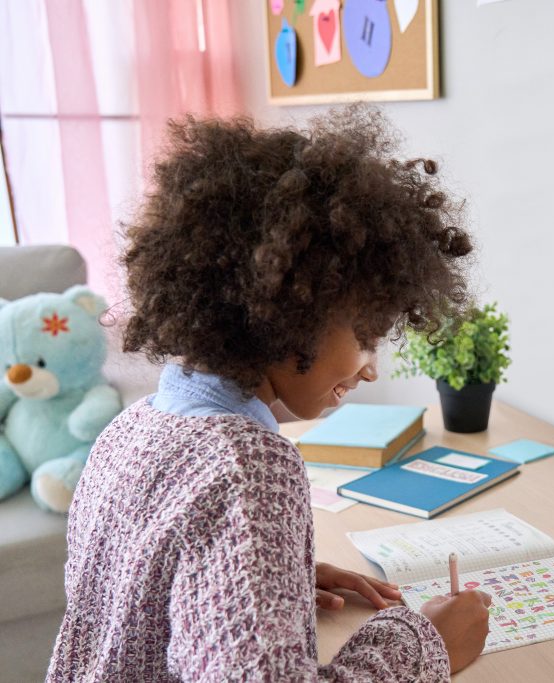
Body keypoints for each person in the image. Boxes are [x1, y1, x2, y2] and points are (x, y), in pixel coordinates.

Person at [47, 109, 491, 682]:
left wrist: (266, 582)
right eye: (366, 332)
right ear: (290, 311)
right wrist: (425, 643)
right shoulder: (247, 467)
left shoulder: (131, 428)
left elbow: (142, 599)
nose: (370, 369)